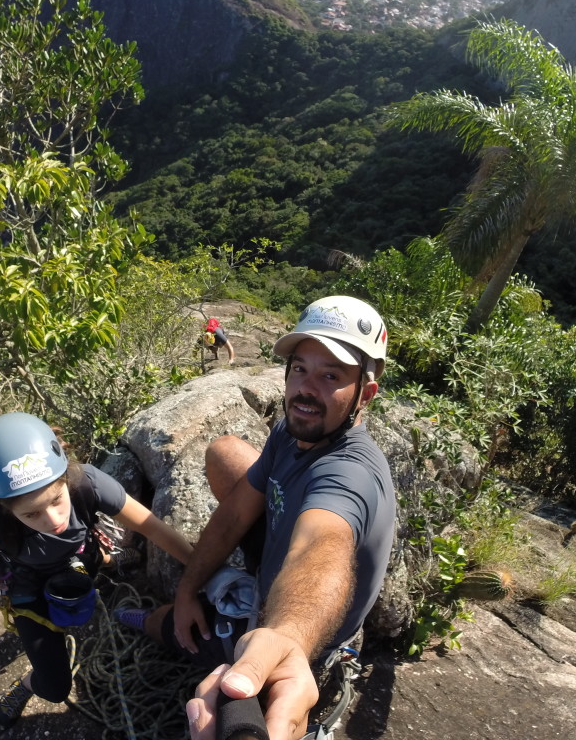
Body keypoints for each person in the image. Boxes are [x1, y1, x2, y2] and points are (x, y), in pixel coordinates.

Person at [116, 296, 395, 740]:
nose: (306, 389)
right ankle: (188, 602)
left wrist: (285, 638)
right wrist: (189, 586)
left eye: (331, 376)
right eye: (300, 368)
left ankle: (143, 621)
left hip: (303, 625)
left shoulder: (349, 474)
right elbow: (235, 512)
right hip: (281, 547)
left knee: (170, 623)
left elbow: (321, 546)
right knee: (227, 453)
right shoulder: (294, 429)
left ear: (365, 393)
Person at [0, 412, 194, 728]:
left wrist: (203, 574)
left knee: (95, 557)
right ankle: (25, 685)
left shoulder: (87, 483)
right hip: (28, 586)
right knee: (55, 688)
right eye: (32, 514)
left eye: (56, 500)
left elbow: (154, 529)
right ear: (4, 507)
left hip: (81, 556)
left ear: (65, 478)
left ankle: (110, 561)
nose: (52, 520)